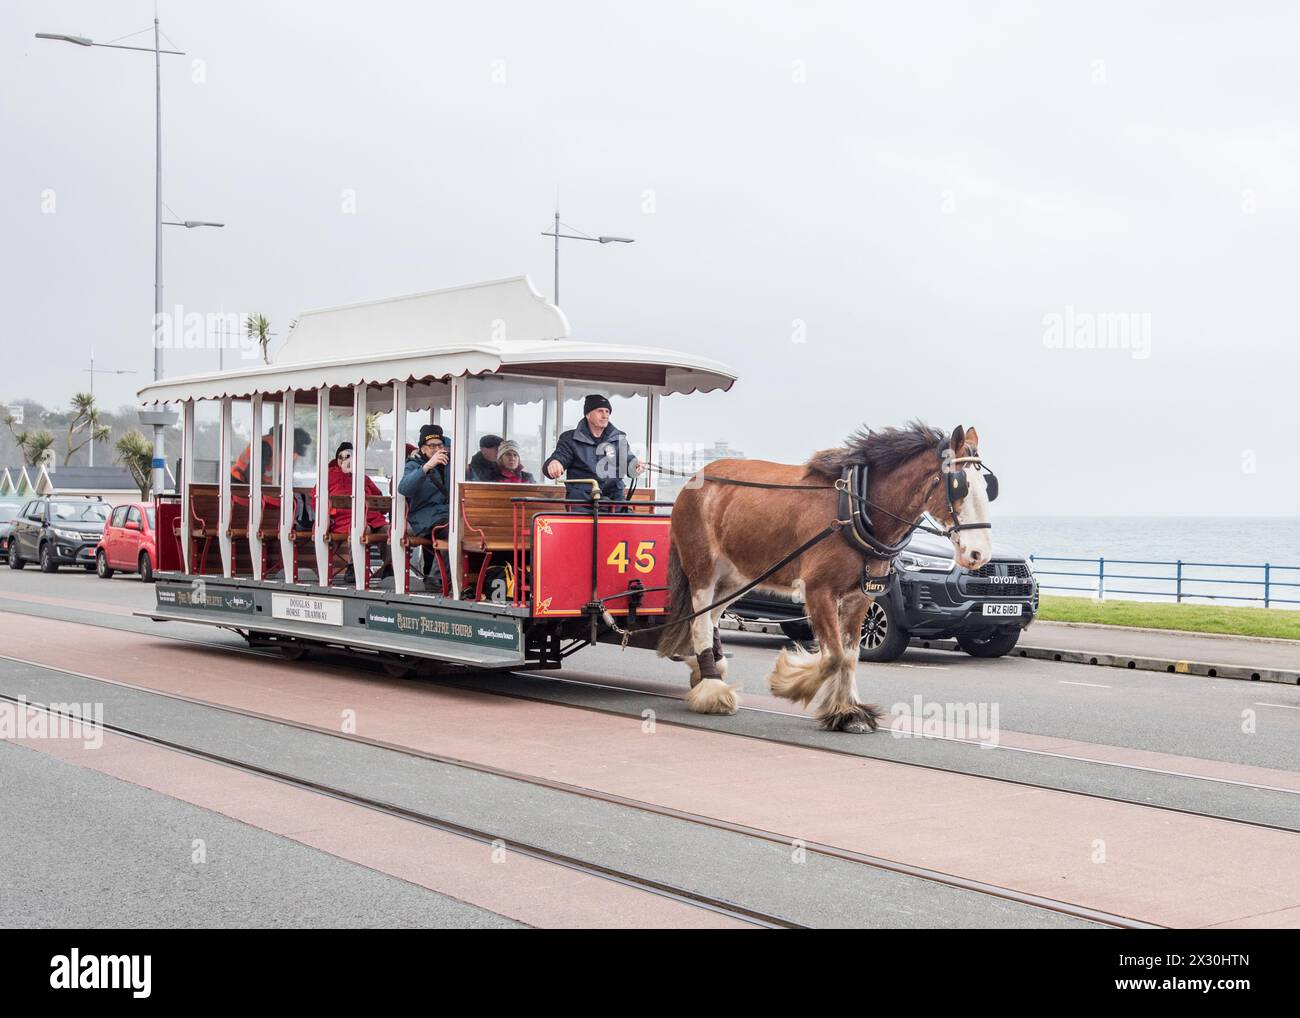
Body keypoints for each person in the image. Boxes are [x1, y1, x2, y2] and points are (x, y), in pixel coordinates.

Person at [544, 394, 644, 504]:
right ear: (588, 414)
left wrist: (635, 465)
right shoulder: (569, 439)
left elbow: (627, 460)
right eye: (600, 411)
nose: (605, 415)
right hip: (581, 503)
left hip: (615, 501)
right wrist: (554, 463)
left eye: (607, 411)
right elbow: (558, 458)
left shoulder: (618, 438)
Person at [320, 442, 391, 585]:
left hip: (372, 518)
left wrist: (381, 508)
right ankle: (353, 567)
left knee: (390, 531)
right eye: (341, 457)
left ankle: (389, 568)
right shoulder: (328, 477)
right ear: (337, 459)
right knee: (361, 528)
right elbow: (317, 500)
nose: (345, 460)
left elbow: (378, 497)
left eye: (349, 456)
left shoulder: (363, 478)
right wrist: (330, 514)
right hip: (344, 520)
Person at [398, 424, 451, 588]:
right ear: (422, 448)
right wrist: (427, 467)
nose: (436, 449)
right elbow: (404, 488)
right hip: (423, 517)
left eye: (440, 445)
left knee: (464, 527)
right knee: (454, 530)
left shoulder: (450, 465)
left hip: (446, 514)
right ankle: (436, 577)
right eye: (432, 446)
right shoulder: (414, 464)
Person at [232, 427, 310, 484]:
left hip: (266, 486)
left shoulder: (293, 452)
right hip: (239, 482)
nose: (294, 454)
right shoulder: (265, 445)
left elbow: (285, 478)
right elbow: (252, 476)